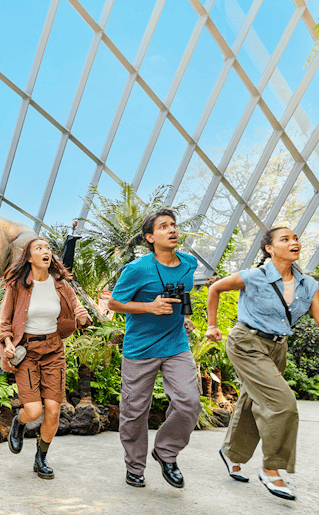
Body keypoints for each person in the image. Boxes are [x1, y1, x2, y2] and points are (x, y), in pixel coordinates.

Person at [206, 227, 319, 501]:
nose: (293, 242)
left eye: (295, 238)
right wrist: (212, 326)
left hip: (278, 347)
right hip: (246, 342)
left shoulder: (308, 284)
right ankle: (272, 468)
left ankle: (231, 453)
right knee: (282, 404)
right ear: (270, 249)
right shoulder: (254, 276)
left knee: (252, 399)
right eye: (285, 239)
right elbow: (215, 288)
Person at [107, 209, 201, 489]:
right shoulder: (136, 269)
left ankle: (166, 452)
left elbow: (182, 291)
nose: (172, 230)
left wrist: (185, 316)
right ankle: (135, 466)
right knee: (134, 411)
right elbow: (114, 303)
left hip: (176, 345)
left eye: (173, 225)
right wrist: (149, 306)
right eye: (163, 226)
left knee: (189, 402)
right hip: (140, 348)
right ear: (150, 237)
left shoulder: (189, 263)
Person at [0, 237, 90, 479]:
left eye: (48, 248)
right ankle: (19, 421)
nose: (46, 251)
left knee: (53, 410)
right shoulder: (17, 285)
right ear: (29, 257)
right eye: (39, 248)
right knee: (34, 410)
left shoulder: (61, 285)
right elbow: (5, 323)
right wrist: (8, 344)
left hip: (54, 350)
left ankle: (41, 457)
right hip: (26, 351)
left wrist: (82, 317)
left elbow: (80, 316)